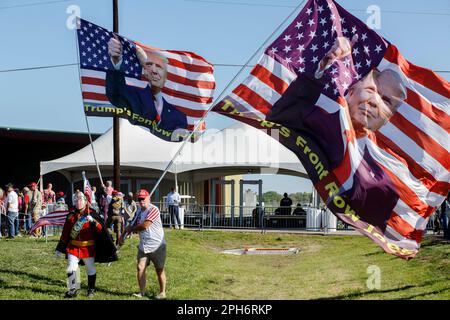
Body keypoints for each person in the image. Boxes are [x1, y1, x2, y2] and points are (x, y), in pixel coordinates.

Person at [266, 36, 406, 231]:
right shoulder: (315, 118)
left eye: (386, 101)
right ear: (351, 92)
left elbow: (383, 227)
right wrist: (325, 64)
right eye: (371, 90)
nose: (375, 101)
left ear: (388, 118)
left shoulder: (381, 180)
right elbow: (279, 116)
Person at [106, 36, 188, 131]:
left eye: (159, 67)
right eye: (149, 65)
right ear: (144, 71)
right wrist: (116, 63)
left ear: (166, 76)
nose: (154, 70)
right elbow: (115, 93)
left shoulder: (179, 116)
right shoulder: (131, 96)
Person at [55, 190, 117, 298]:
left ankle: (91, 290)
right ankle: (73, 289)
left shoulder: (92, 213)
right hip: (73, 247)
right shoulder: (71, 215)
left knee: (90, 269)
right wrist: (59, 248)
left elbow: (101, 230)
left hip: (88, 248)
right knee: (71, 268)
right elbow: (65, 232)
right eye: (76, 199)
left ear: (85, 201)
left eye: (80, 199)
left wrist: (93, 222)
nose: (78, 202)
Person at [120, 189, 166, 299]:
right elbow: (131, 224)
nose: (141, 201)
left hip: (157, 245)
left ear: (148, 198)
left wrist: (132, 229)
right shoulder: (139, 212)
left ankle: (162, 292)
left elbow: (145, 225)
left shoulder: (153, 209)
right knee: (140, 268)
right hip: (144, 245)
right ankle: (141, 292)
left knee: (159, 270)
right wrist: (122, 235)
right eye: (139, 199)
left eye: (143, 198)